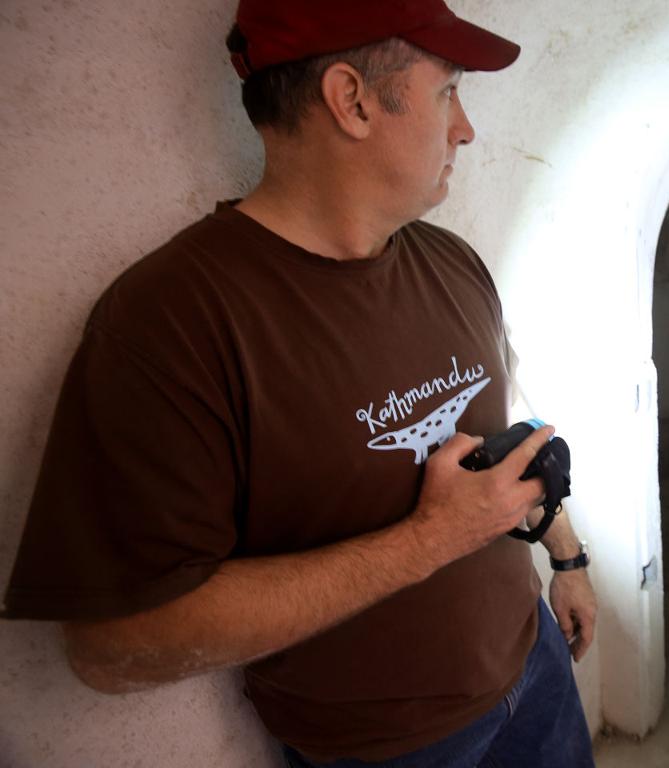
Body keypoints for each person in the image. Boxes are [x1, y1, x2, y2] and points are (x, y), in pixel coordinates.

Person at [0, 1, 597, 765]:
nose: (465, 128)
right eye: (447, 91)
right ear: (351, 100)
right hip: (389, 748)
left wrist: (567, 558)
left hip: (533, 669)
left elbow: (494, 450)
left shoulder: (451, 264)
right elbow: (114, 646)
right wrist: (426, 542)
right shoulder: (171, 320)